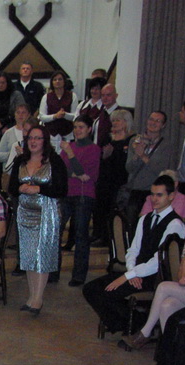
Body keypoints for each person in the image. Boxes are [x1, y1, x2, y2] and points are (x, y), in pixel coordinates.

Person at [82, 175, 185, 336]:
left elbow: (160, 260)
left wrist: (130, 275)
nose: (154, 199)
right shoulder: (145, 219)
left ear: (171, 196)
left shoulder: (175, 224)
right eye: (152, 194)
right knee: (90, 289)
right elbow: (133, 249)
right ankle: (134, 321)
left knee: (107, 293)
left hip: (154, 277)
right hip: (136, 273)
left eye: (159, 195)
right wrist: (131, 271)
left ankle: (131, 323)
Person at [121, 208, 185, 350]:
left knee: (164, 287)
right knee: (167, 305)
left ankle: (145, 333)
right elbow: (181, 275)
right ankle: (171, 349)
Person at [13, 125, 68, 314]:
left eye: (38, 138)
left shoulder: (55, 161)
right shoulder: (20, 160)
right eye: (30, 138)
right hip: (25, 214)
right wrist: (20, 188)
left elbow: (62, 189)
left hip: (46, 213)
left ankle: (38, 299)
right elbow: (11, 186)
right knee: (28, 255)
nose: (33, 142)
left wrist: (39, 189)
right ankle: (31, 297)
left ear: (45, 141)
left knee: (41, 255)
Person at [59, 118, 102, 285]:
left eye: (81, 127)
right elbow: (62, 171)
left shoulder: (93, 149)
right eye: (75, 127)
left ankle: (78, 275)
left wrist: (71, 155)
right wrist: (76, 174)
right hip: (66, 193)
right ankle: (53, 272)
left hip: (84, 195)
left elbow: (87, 173)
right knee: (56, 232)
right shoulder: (69, 146)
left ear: (89, 129)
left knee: (81, 235)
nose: (77, 130)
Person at [125, 111, 174, 225]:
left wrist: (143, 156)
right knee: (132, 224)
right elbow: (129, 168)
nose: (153, 123)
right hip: (136, 190)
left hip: (155, 192)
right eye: (151, 119)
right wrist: (137, 155)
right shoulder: (135, 141)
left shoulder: (166, 145)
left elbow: (162, 171)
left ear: (163, 125)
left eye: (158, 121)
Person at [94, 108, 133, 248]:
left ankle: (110, 238)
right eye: (113, 120)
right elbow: (100, 158)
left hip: (120, 181)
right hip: (104, 180)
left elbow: (126, 163)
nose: (114, 123)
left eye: (118, 120)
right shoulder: (108, 138)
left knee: (114, 210)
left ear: (126, 122)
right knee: (100, 208)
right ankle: (99, 235)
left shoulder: (130, 140)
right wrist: (105, 156)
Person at [39, 70, 76, 145]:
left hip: (67, 134)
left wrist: (64, 115)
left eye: (60, 79)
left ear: (64, 81)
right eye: (55, 79)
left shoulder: (72, 96)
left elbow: (75, 116)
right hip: (51, 134)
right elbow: (42, 117)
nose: (57, 81)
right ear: (52, 82)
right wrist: (55, 116)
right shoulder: (46, 97)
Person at [0, 103, 33, 178]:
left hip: (29, 173)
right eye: (18, 112)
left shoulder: (34, 132)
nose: (20, 115)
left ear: (29, 114)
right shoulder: (8, 133)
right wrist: (12, 154)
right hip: (10, 174)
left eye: (23, 112)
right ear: (14, 115)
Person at [74, 78, 110, 147]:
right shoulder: (82, 104)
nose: (94, 91)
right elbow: (75, 122)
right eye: (92, 88)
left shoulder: (105, 107)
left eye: (97, 89)